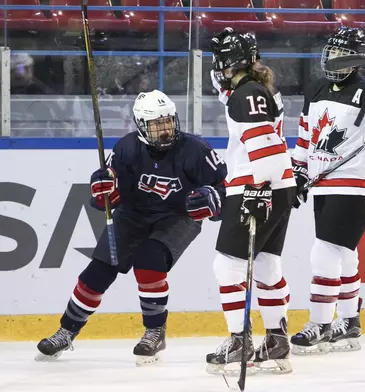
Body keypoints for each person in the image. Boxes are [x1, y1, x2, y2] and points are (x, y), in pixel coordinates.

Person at [36, 90, 227, 366]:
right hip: (133, 214)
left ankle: (154, 331)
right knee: (98, 271)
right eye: (156, 124)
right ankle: (67, 331)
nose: (165, 129)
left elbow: (225, 190)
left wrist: (214, 200)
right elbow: (108, 193)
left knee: (149, 259)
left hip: (177, 216)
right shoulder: (126, 148)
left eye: (168, 121)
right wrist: (103, 192)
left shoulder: (197, 150)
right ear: (140, 126)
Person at [289, 26, 365, 355]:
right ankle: (351, 321)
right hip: (323, 182)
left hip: (358, 182)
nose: (334, 59)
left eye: (343, 55)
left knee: (324, 251)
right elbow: (305, 137)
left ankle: (321, 323)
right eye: (332, 52)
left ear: (356, 61)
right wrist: (297, 171)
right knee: (344, 252)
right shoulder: (315, 88)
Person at [206, 29, 296, 375]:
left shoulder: (245, 95)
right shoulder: (259, 89)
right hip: (277, 183)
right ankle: (277, 342)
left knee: (227, 265)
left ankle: (239, 341)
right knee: (266, 266)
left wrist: (261, 187)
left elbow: (263, 144)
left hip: (256, 184)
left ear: (226, 62)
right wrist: (275, 184)